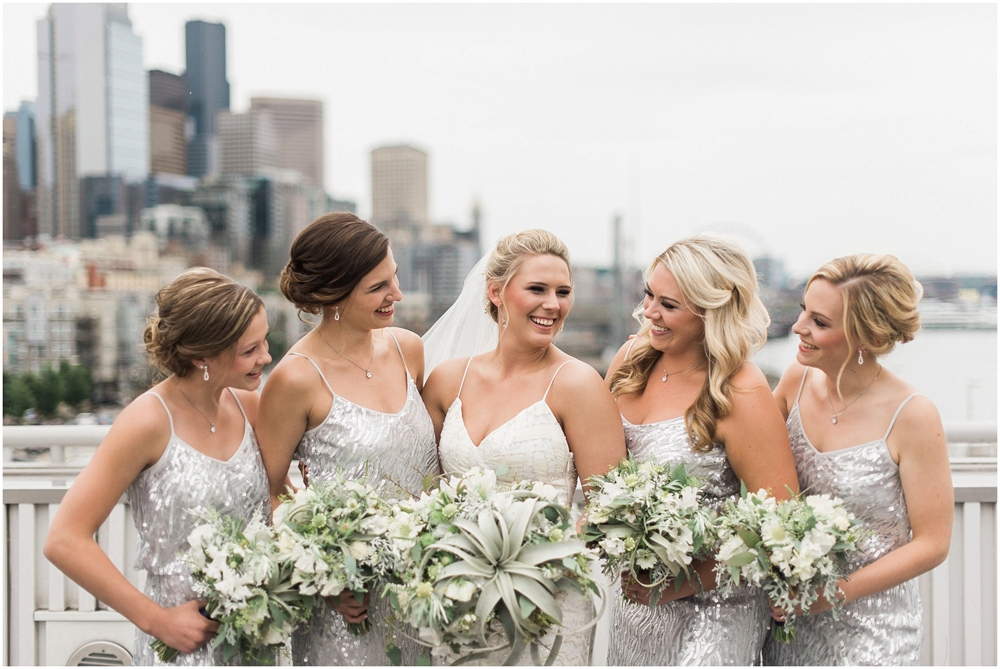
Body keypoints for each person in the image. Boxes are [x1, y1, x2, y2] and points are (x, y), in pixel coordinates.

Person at [44, 268, 272, 665]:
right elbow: (64, 539)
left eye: (265, 342)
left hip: (255, 639)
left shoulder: (248, 405)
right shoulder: (146, 421)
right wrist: (156, 620)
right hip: (184, 646)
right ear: (202, 354)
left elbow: (282, 496)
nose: (266, 357)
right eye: (250, 350)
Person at [422, 228, 627, 665]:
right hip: (458, 599)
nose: (553, 304)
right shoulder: (445, 380)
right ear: (496, 292)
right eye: (537, 288)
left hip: (549, 604)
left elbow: (610, 508)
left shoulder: (578, 385)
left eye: (563, 291)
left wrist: (540, 558)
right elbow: (423, 494)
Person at [603, 234, 800, 665]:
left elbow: (781, 525)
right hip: (637, 607)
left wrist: (686, 582)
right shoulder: (631, 359)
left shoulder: (741, 390)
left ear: (713, 311)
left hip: (714, 609)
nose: (650, 313)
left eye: (668, 305)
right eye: (648, 295)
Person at [256, 212, 439, 665]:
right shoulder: (295, 379)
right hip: (348, 607)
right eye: (378, 287)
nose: (395, 295)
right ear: (330, 295)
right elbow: (266, 496)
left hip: (427, 593)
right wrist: (330, 575)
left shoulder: (408, 349)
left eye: (394, 279)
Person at [762, 254, 952, 666]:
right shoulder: (795, 382)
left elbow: (933, 544)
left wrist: (829, 594)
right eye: (803, 312)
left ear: (865, 336)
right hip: (791, 621)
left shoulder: (914, 415)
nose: (798, 328)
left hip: (873, 631)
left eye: (820, 322)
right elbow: (751, 452)